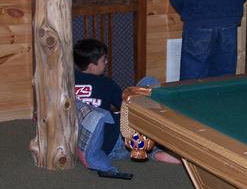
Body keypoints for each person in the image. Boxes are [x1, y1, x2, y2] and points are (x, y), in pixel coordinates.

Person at [74, 39, 179, 174]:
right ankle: (154, 150)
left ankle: (152, 150)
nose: (106, 62)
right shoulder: (106, 84)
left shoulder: (68, 81)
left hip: (77, 140)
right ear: (92, 66)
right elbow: (127, 107)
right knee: (149, 82)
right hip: (112, 145)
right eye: (103, 60)